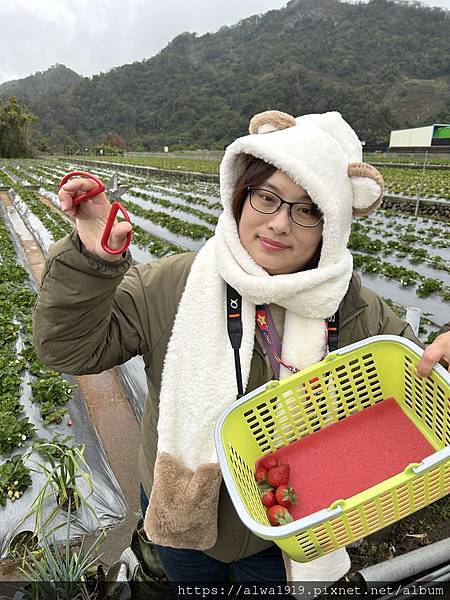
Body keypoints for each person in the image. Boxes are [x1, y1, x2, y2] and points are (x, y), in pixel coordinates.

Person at [33, 110, 450, 586]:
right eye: (267, 198)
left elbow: (422, 382)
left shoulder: (355, 309)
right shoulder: (175, 285)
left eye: (307, 209)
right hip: (184, 520)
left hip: (286, 534)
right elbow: (69, 350)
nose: (279, 224)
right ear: (240, 194)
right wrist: (91, 260)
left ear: (331, 224)